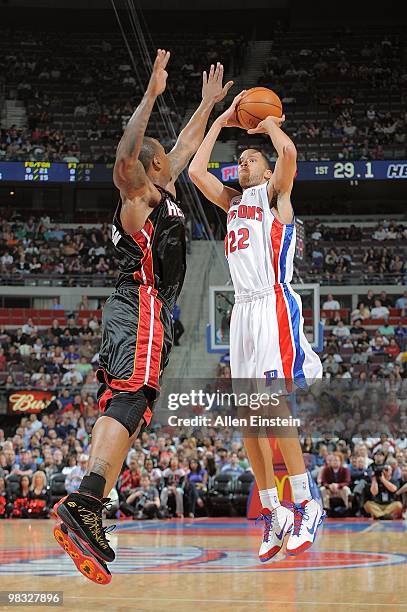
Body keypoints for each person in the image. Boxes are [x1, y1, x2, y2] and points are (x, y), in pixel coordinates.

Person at [53, 50, 233, 584]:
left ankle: (89, 504)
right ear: (154, 167)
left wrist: (205, 105)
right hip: (140, 301)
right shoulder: (139, 193)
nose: (171, 163)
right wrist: (152, 96)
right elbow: (125, 158)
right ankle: (85, 501)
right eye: (164, 161)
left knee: (131, 405)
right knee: (130, 399)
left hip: (140, 309)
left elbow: (180, 147)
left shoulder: (160, 184)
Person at [189, 92, 324, 562]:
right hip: (242, 313)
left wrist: (268, 125)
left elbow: (287, 154)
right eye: (241, 160)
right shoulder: (232, 204)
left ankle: (307, 501)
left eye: (250, 160)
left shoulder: (276, 195)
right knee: (248, 419)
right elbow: (195, 173)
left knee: (271, 403)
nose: (242, 164)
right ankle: (274, 511)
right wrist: (222, 119)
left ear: (265, 173)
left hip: (272, 302)